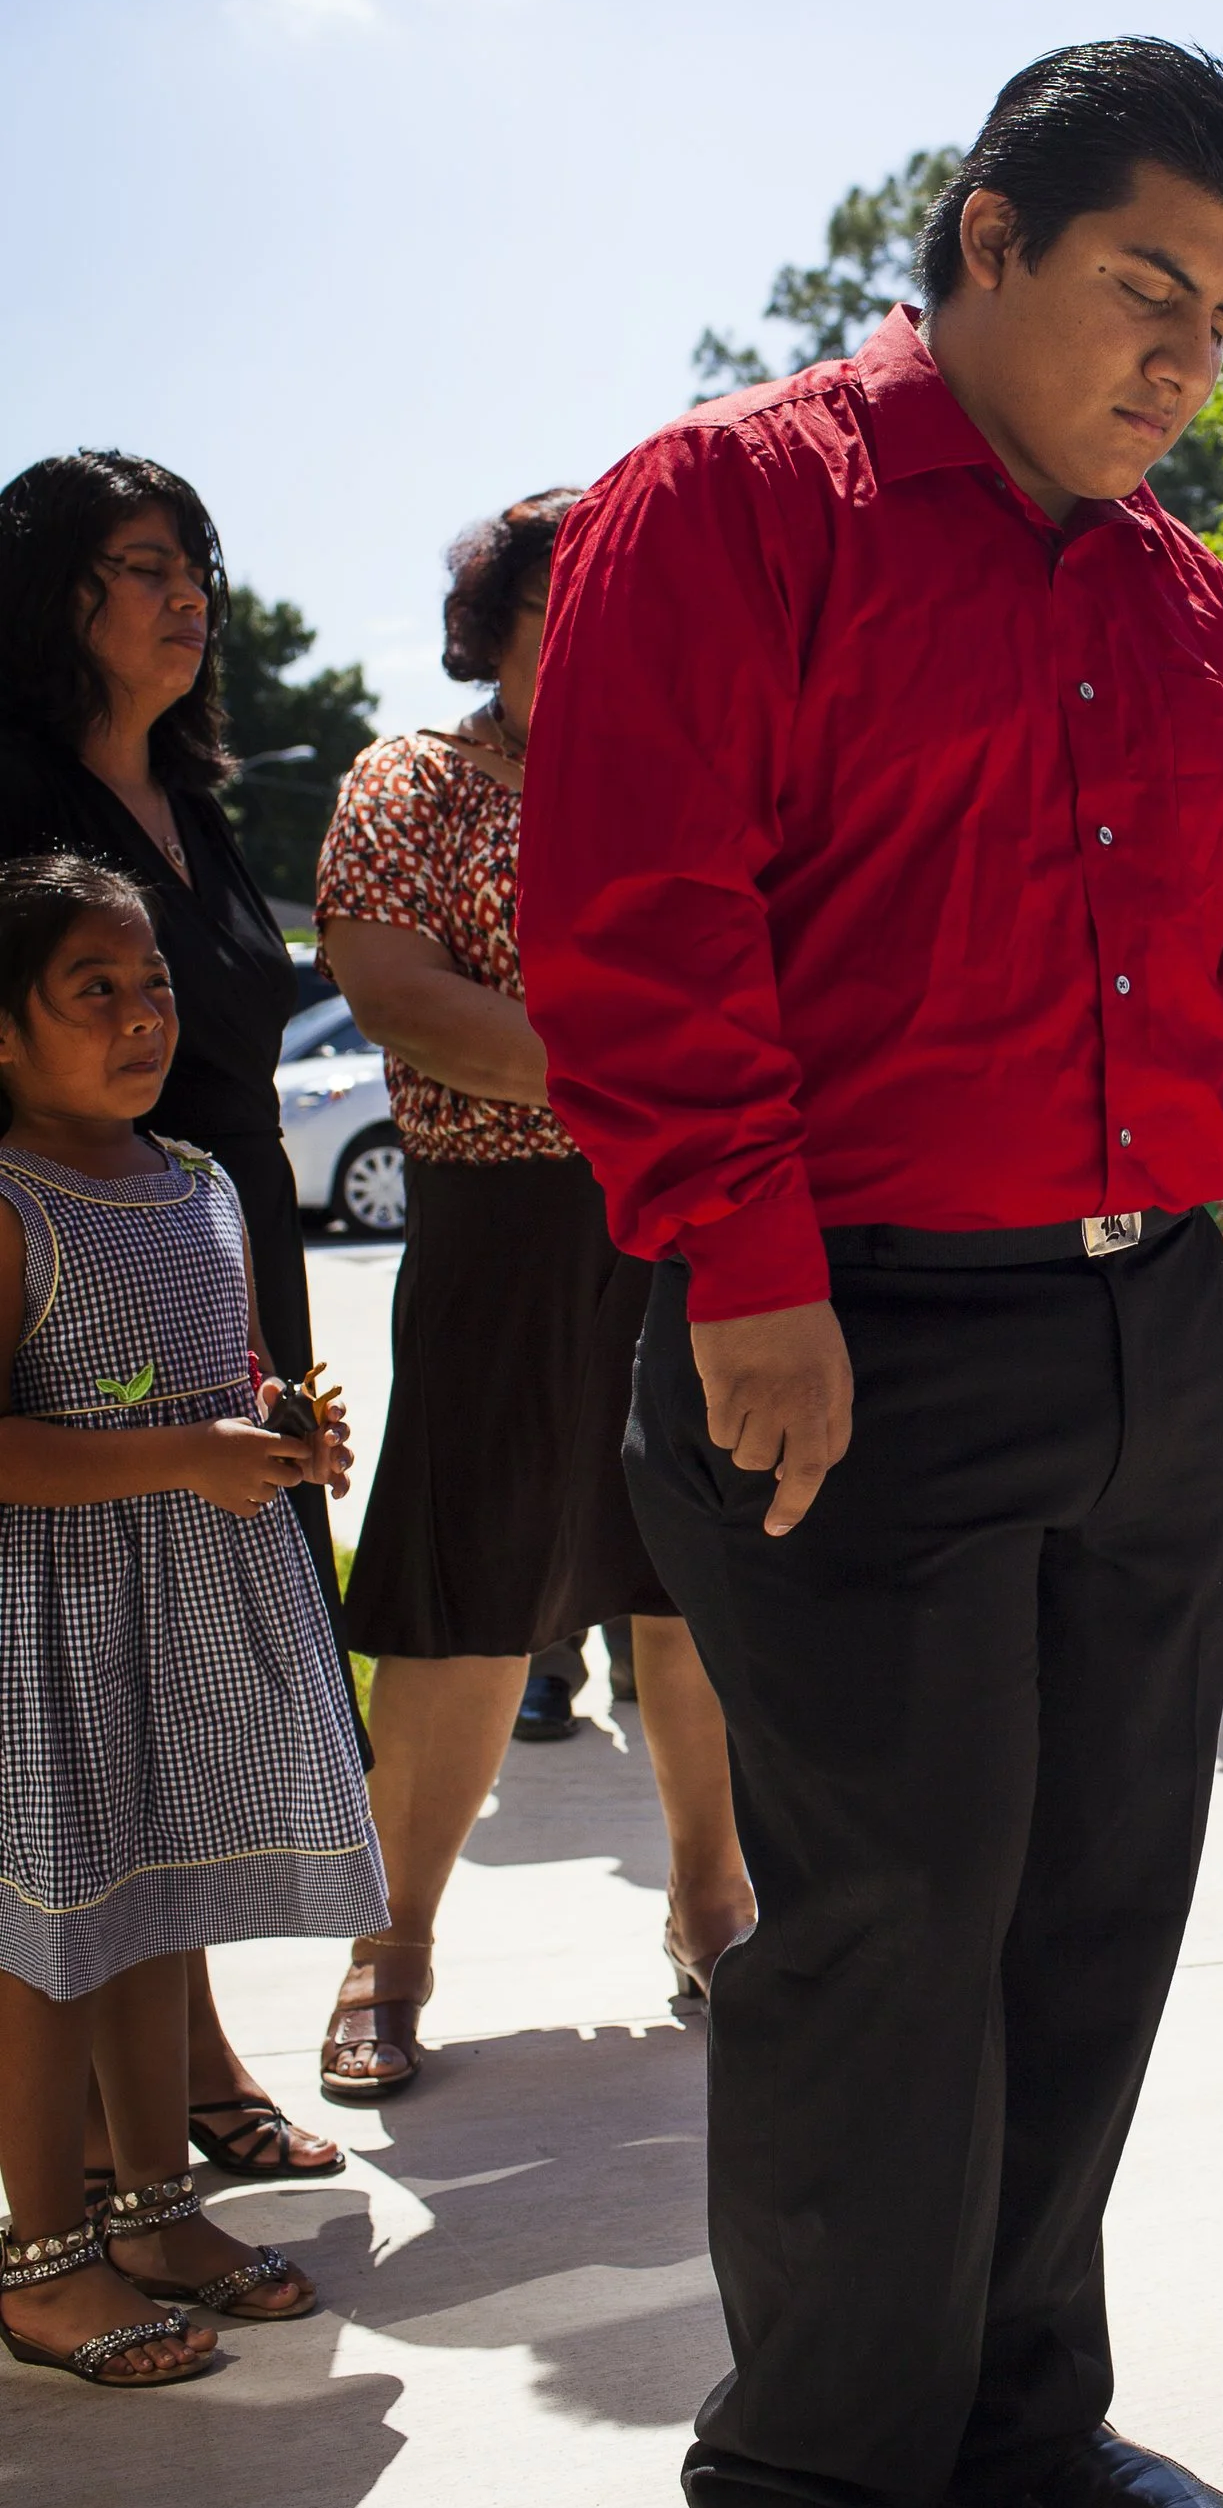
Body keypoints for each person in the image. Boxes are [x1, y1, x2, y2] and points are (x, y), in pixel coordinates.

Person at [520, 40, 1223, 2508]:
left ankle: (1026, 2400)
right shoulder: (734, 505)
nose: (1184, 362)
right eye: (1148, 288)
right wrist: (746, 1256)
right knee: (892, 1917)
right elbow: (641, 911)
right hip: (851, 1328)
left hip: (1141, 1332)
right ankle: (800, 2466)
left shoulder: (1184, 598)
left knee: (1094, 1898)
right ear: (984, 232)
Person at [312, 496, 753, 2097]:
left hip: (689, 1219)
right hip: (499, 1224)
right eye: (574, 595)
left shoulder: (697, 779)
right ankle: (395, 1946)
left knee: (693, 1580)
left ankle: (715, 1910)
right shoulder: (413, 781)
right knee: (465, 1598)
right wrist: (637, 1069)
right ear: (493, 617)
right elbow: (394, 988)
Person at [0, 450, 349, 2188]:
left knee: (188, 1692)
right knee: (91, 1705)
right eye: (146, 565)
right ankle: (106, 2139)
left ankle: (186, 2076)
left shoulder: (195, 808)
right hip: (66, 1277)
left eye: (196, 562)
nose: (188, 593)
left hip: (214, 1247)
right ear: (59, 594)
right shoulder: (10, 793)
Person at [0, 855, 379, 2384]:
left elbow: (218, 1377)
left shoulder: (206, 1182)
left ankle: (156, 2206)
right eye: (94, 990)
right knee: (49, 1944)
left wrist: (286, 1428)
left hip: (185, 1618)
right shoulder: (12, 1200)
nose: (143, 1013)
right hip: (55, 1635)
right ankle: (41, 2251)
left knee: (157, 1909)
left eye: (152, 983)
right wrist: (180, 1456)